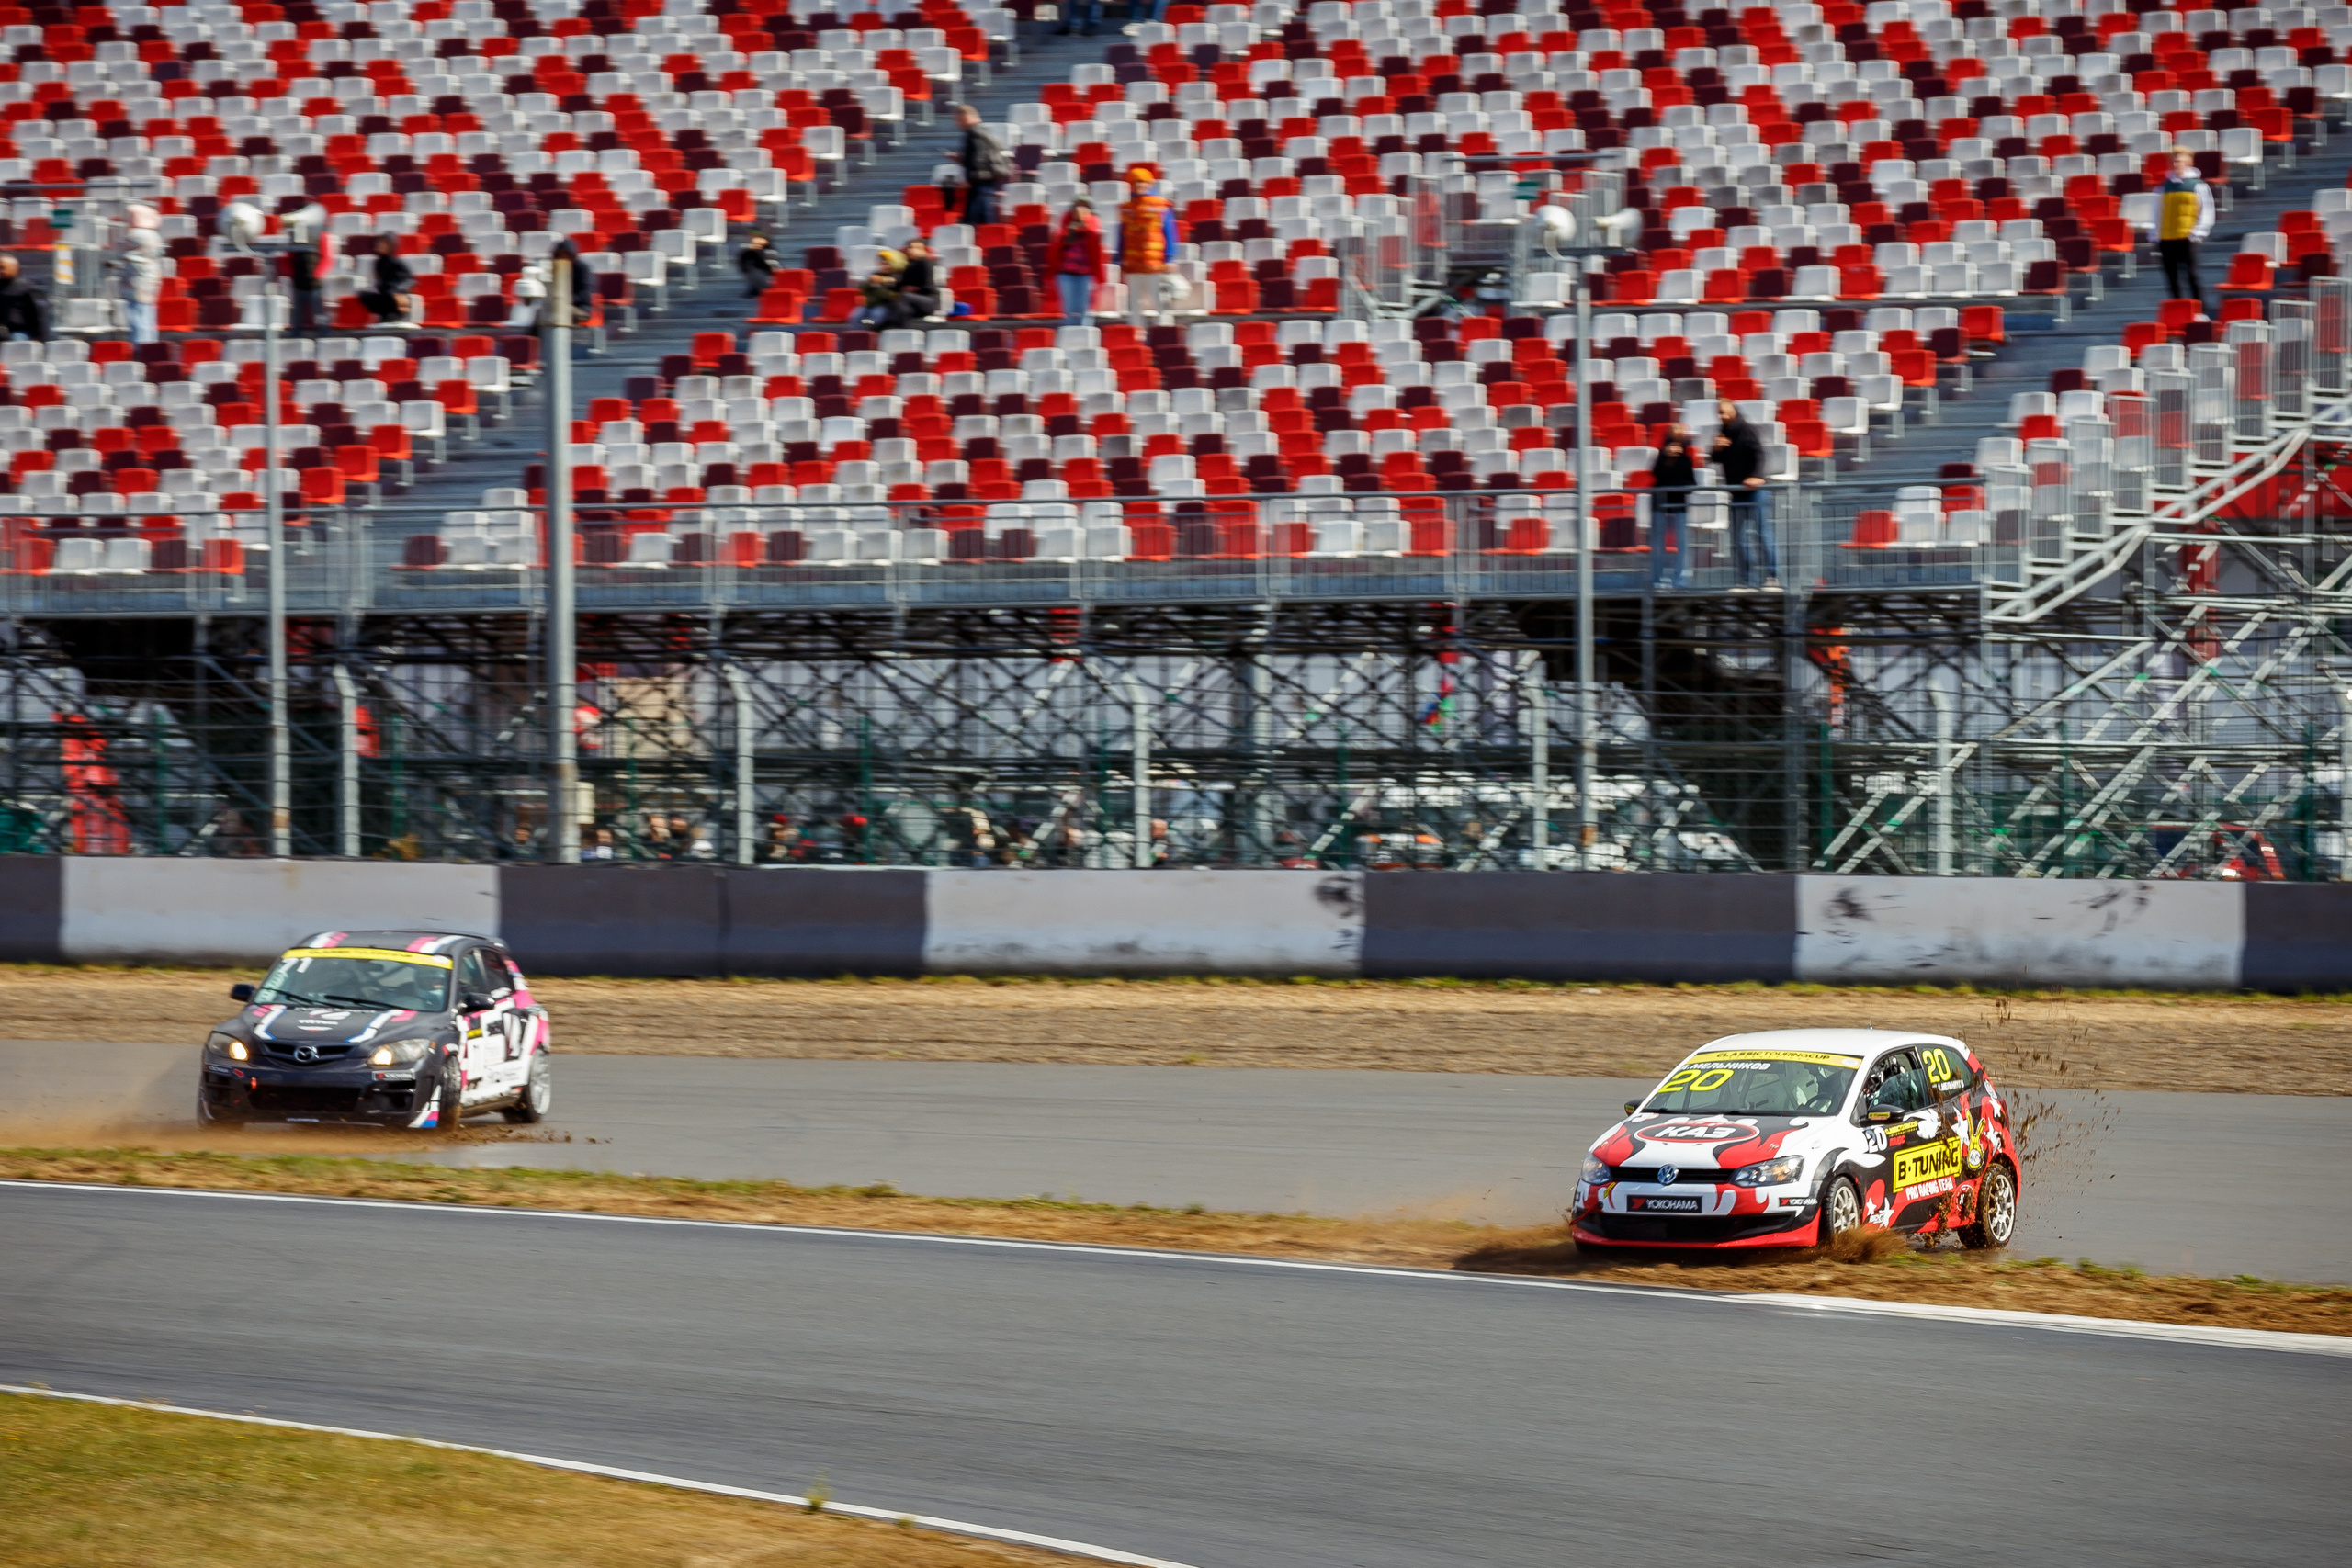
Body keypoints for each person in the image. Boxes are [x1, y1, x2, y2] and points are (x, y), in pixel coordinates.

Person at [1713, 398, 1778, 591]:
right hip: (1737, 492)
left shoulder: (1745, 429)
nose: (1722, 416)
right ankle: (1745, 580)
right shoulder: (1724, 432)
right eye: (1720, 413)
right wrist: (1717, 449)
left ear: (1732, 411)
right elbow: (1717, 458)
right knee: (1738, 539)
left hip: (1754, 491)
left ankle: (1772, 578)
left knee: (1762, 534)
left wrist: (1757, 476)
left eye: (1724, 412)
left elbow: (1759, 454)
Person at [2147, 146, 2216, 318]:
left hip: (2186, 236)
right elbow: (2157, 212)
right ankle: (2178, 311)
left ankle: (2200, 310)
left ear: (2188, 162)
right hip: (2166, 237)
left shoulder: (2197, 185)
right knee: (2171, 277)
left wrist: (2198, 232)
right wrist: (2155, 234)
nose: (2176, 164)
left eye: (2180, 160)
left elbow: (2206, 210)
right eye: (2174, 161)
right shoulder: (2163, 187)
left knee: (2191, 275)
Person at [1116, 163, 1180, 322]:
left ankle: (1164, 332)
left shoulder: (1161, 206)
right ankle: (1136, 335)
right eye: (1135, 183)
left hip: (1154, 264)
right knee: (1135, 304)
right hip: (1133, 263)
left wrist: (1170, 258)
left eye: (1142, 182)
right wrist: (1119, 258)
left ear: (1149, 184)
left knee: (1158, 301)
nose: (1139, 186)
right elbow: (1122, 235)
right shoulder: (1126, 208)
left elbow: (1169, 232)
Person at [1648, 427, 1696, 590]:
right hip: (1660, 506)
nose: (1676, 448)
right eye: (1672, 444)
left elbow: (1691, 484)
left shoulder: (1686, 461)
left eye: (1679, 444)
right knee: (1658, 544)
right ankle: (1657, 579)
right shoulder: (1660, 458)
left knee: (1682, 543)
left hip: (1679, 506)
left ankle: (1680, 579)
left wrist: (1680, 487)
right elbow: (1656, 474)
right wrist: (1665, 459)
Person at [1046, 197, 1104, 325]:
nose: (1080, 210)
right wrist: (1070, 232)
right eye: (1077, 207)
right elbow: (1056, 249)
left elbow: (1096, 251)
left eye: (1084, 207)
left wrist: (1085, 225)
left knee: (1083, 309)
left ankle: (1084, 338)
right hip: (1065, 273)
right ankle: (1069, 336)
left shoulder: (1093, 229)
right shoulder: (1065, 227)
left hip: (1085, 273)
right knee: (1069, 309)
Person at [954, 104, 1011, 228]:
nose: (957, 124)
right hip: (984, 179)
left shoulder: (974, 133)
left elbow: (978, 157)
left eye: (958, 120)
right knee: (982, 216)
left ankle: (991, 240)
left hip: (979, 181)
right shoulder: (983, 132)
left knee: (977, 218)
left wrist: (971, 177)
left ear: (965, 117)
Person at [117, 204, 163, 344]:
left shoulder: (134, 236)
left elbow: (121, 257)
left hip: (135, 282)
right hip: (151, 280)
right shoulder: (154, 236)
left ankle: (139, 346)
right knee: (148, 315)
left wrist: (109, 265)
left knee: (137, 317)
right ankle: (150, 346)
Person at [356, 234, 413, 325]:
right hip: (384, 291)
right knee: (365, 295)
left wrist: (397, 287)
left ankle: (396, 315)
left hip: (397, 293)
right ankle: (384, 315)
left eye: (383, 243)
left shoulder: (396, 262)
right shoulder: (378, 263)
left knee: (389, 293)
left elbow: (410, 280)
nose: (380, 245)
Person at [0, 255, 49, 343]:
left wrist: (38, 336)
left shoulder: (26, 287)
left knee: (17, 340)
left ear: (14, 268)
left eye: (2, 268)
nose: (1, 271)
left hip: (18, 331)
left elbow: (37, 313)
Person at [738, 231, 779, 299]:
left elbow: (769, 268)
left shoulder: (769, 252)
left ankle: (759, 288)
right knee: (750, 267)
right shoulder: (749, 253)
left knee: (753, 268)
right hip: (760, 277)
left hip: (770, 279)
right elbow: (743, 267)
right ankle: (755, 288)